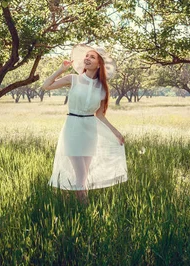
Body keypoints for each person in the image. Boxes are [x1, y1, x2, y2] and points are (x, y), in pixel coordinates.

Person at [42, 44, 128, 203]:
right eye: (86, 56)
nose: (87, 58)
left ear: (99, 64)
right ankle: (84, 207)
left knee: (83, 174)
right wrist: (61, 69)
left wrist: (115, 132)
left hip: (90, 131)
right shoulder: (73, 79)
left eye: (92, 57)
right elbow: (46, 86)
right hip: (72, 128)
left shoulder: (102, 88)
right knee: (81, 174)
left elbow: (100, 115)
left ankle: (73, 204)